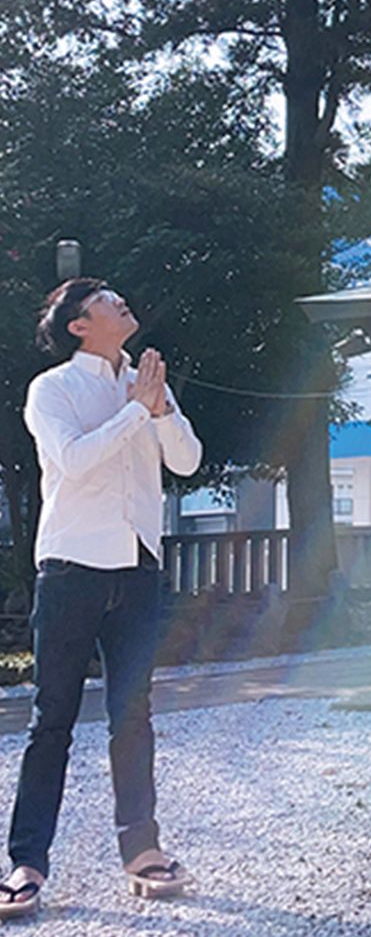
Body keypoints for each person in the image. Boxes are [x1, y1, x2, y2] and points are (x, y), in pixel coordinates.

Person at [0, 278, 202, 920]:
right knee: (51, 720)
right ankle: (25, 862)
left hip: (138, 567)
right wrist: (136, 411)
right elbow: (74, 460)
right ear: (79, 325)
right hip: (70, 567)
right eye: (107, 298)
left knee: (132, 713)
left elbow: (189, 462)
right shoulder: (52, 389)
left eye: (121, 293)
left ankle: (142, 851)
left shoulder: (147, 383)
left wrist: (159, 409)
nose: (122, 299)